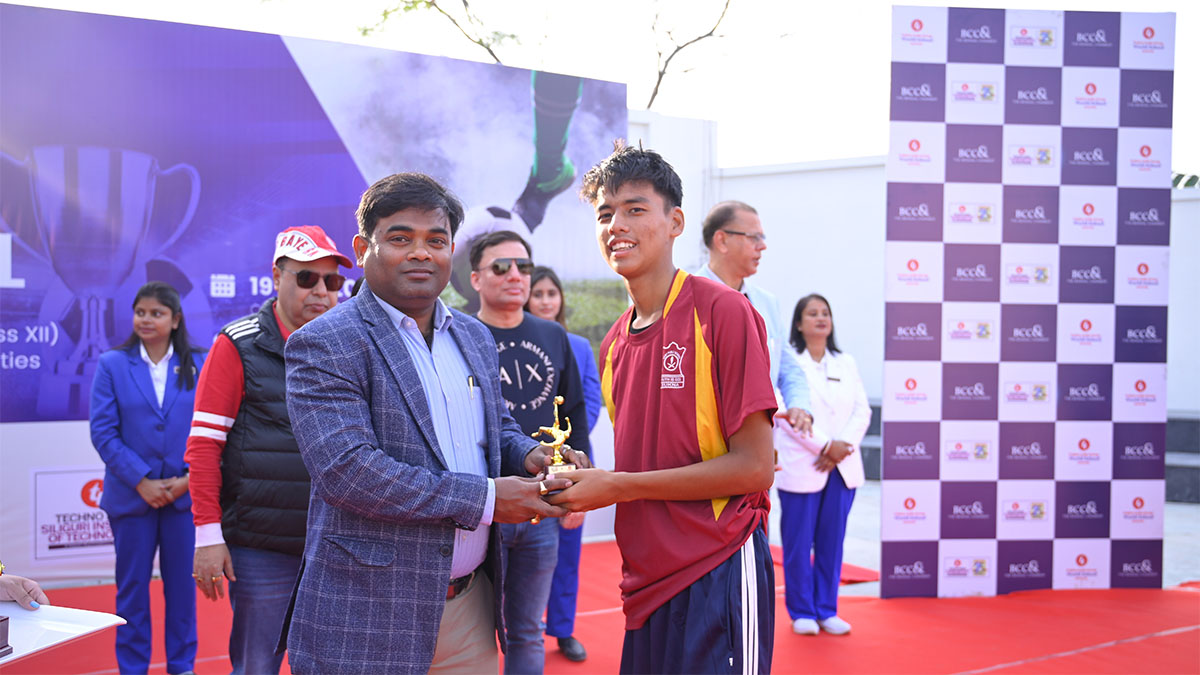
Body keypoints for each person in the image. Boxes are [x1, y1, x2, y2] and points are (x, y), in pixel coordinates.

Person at [280, 172, 590, 674]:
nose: (421, 253)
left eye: (436, 240)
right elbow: (349, 471)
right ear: (364, 248)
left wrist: (530, 454)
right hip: (370, 614)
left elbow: (498, 427)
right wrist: (490, 499)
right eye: (400, 238)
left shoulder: (472, 335)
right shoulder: (325, 342)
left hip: (470, 608)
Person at [550, 143, 777, 673]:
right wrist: (589, 479)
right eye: (605, 214)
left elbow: (754, 467)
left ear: (674, 222)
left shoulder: (722, 309)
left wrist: (619, 485)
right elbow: (649, 456)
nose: (616, 225)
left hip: (718, 563)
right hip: (644, 583)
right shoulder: (611, 346)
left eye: (634, 209)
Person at [185, 225, 349, 675]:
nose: (321, 292)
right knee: (257, 666)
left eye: (332, 281)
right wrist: (208, 537)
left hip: (339, 544)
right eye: (306, 278)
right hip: (263, 549)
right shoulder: (236, 345)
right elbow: (203, 449)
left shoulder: (349, 348)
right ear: (276, 277)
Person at [470, 235, 591, 672]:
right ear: (475, 278)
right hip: (480, 506)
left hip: (544, 503)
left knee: (526, 630)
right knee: (471, 630)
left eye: (523, 265)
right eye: (501, 266)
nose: (515, 275)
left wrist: (583, 486)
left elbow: (574, 412)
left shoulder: (552, 335)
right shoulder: (460, 332)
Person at [89, 281, 207, 675]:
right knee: (133, 593)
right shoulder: (112, 364)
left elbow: (210, 430)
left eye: (156, 313)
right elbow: (104, 432)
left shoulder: (200, 363)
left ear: (175, 320)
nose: (146, 319)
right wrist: (142, 480)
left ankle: (182, 666)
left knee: (181, 592)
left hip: (183, 499)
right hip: (131, 497)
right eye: (141, 312)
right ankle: (133, 668)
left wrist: (188, 479)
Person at [773, 294, 869, 636]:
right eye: (812, 313)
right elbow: (785, 413)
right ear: (799, 324)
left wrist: (841, 447)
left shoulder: (846, 362)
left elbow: (863, 410)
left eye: (825, 312)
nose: (820, 318)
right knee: (798, 543)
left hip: (842, 467)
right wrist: (825, 445)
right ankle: (801, 609)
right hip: (805, 463)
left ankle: (827, 609)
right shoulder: (789, 363)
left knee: (833, 540)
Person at [525, 265, 600, 663]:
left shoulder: (578, 345)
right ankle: (520, 627)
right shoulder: (509, 340)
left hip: (570, 463)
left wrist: (565, 453)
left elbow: (587, 404)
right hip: (521, 462)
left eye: (552, 294)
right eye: (538, 294)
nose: (546, 301)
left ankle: (563, 630)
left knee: (567, 551)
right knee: (520, 552)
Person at [696, 201, 812, 435]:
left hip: (757, 443)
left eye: (762, 237)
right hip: (703, 444)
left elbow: (788, 368)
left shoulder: (766, 303)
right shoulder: (685, 298)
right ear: (721, 240)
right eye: (754, 237)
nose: (763, 246)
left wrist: (799, 405)